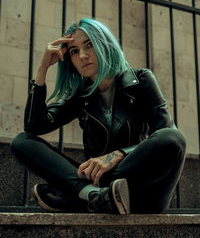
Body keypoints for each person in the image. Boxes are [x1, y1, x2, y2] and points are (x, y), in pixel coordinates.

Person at [10, 19, 186, 214]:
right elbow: (34, 127)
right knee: (21, 142)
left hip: (143, 191)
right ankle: (94, 196)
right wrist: (42, 69)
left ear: (105, 44)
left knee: (172, 138)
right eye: (74, 51)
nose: (83, 56)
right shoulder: (80, 96)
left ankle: (81, 196)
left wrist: (119, 154)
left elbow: (168, 136)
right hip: (96, 183)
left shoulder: (141, 80)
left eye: (89, 45)